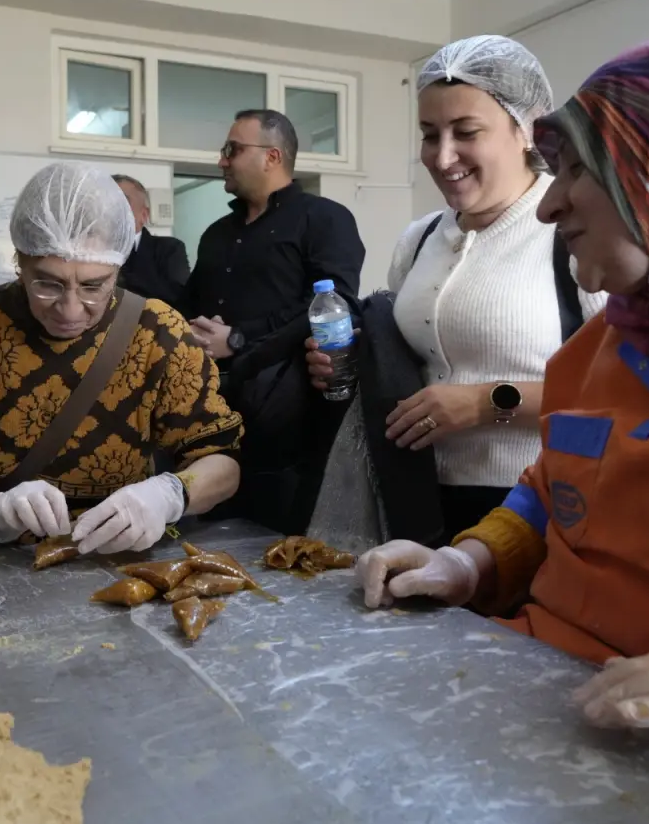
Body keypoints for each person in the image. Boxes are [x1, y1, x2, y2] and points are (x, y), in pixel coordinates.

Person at [357, 29, 649, 758]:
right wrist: (472, 562)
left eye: (579, 171)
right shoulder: (601, 346)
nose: (550, 206)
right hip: (532, 696)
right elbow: (551, 484)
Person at [307, 36, 605, 542]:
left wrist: (490, 402)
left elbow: (619, 390)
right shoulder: (420, 238)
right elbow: (410, 361)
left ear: (529, 129)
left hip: (541, 499)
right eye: (429, 134)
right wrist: (353, 366)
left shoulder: (572, 234)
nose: (443, 158)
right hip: (420, 493)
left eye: (466, 132)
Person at [0, 161, 242, 556]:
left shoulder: (158, 330)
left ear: (118, 267)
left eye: (94, 286)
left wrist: (170, 493)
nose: (71, 310)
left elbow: (221, 461)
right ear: (19, 260)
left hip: (117, 551)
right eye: (48, 283)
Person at [185, 109, 366, 533]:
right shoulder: (216, 233)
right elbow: (185, 303)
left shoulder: (324, 219)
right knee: (207, 535)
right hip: (208, 414)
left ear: (272, 156)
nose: (222, 160)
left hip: (287, 419)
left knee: (277, 538)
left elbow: (335, 302)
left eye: (233, 149)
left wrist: (241, 339)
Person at [113, 174, 190, 311]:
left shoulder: (169, 249)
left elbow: (176, 296)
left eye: (120, 201)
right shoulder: (86, 250)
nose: (110, 208)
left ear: (143, 215)